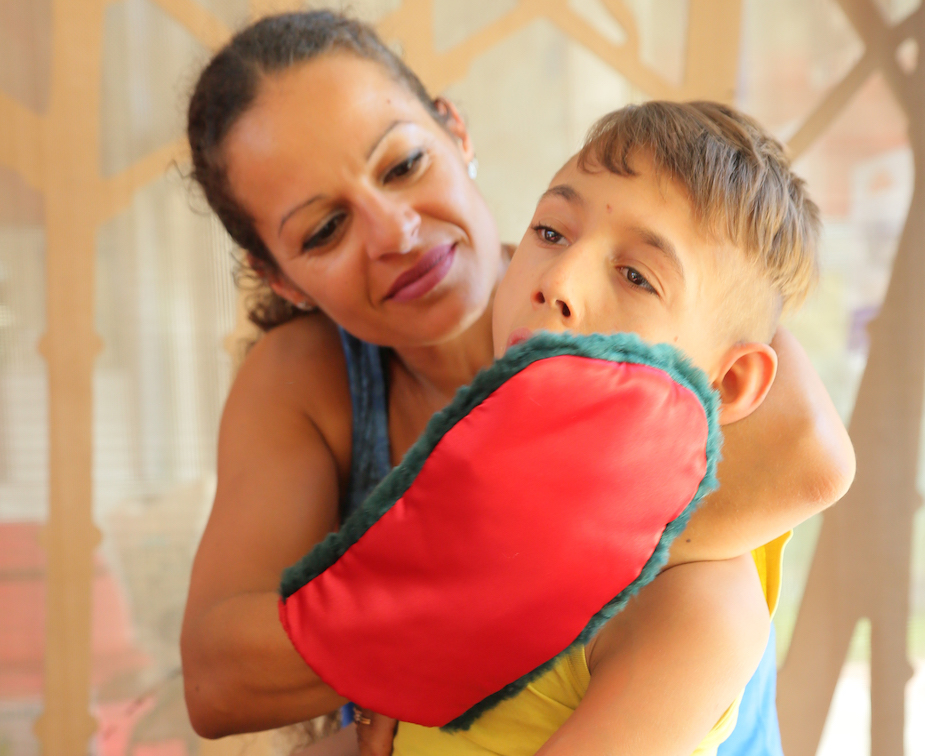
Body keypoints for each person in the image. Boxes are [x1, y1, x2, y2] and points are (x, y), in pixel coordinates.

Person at [180, 10, 854, 753]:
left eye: (403, 166)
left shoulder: (685, 307)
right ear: (280, 278)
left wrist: (429, 644)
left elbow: (814, 462)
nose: (396, 233)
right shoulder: (305, 377)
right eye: (323, 230)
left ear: (454, 133)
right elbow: (218, 681)